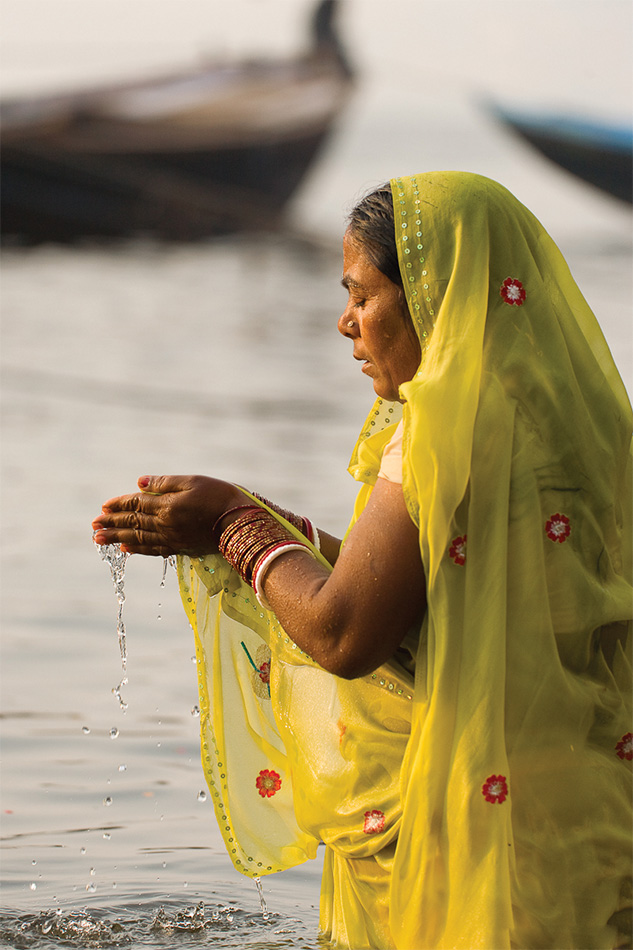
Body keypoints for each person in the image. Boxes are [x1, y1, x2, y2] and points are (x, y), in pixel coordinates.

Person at [92, 172, 632, 950]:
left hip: (481, 838)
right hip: (582, 813)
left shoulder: (441, 432)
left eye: (361, 294)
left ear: (434, 297)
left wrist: (236, 525)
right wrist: (271, 528)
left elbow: (345, 631)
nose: (345, 323)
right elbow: (441, 587)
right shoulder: (571, 427)